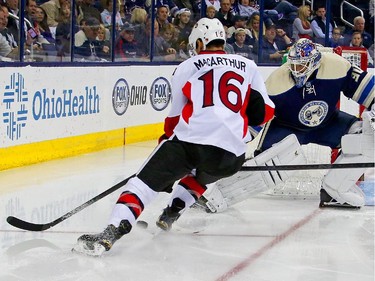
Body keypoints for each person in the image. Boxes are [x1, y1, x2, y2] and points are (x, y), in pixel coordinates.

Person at [72, 17, 275, 256]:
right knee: (201, 176)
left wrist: (164, 161)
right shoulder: (248, 65)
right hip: (231, 153)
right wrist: (241, 138)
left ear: (200, 42)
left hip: (189, 142)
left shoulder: (187, 67)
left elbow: (173, 121)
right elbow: (265, 112)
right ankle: (172, 212)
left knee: (142, 185)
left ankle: (113, 231)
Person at [190, 38, 374, 214]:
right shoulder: (275, 83)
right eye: (293, 64)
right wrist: (224, 149)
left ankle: (335, 190)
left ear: (315, 62)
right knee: (266, 166)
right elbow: (251, 124)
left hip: (329, 124)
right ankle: (213, 196)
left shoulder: (337, 66)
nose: (296, 69)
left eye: (301, 65)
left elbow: (369, 91)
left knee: (365, 137)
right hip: (286, 129)